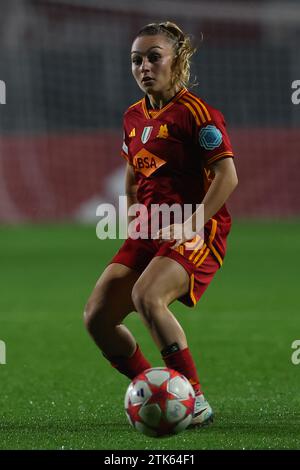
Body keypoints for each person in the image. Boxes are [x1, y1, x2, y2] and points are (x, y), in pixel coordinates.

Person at [84, 21, 238, 426]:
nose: (144, 66)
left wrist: (192, 223)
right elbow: (134, 175)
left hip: (197, 228)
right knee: (97, 318)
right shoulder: (132, 117)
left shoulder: (197, 114)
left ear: (177, 61)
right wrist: (134, 216)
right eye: (137, 60)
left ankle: (194, 399)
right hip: (151, 227)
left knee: (147, 296)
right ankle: (155, 392)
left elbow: (228, 176)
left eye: (154, 57)